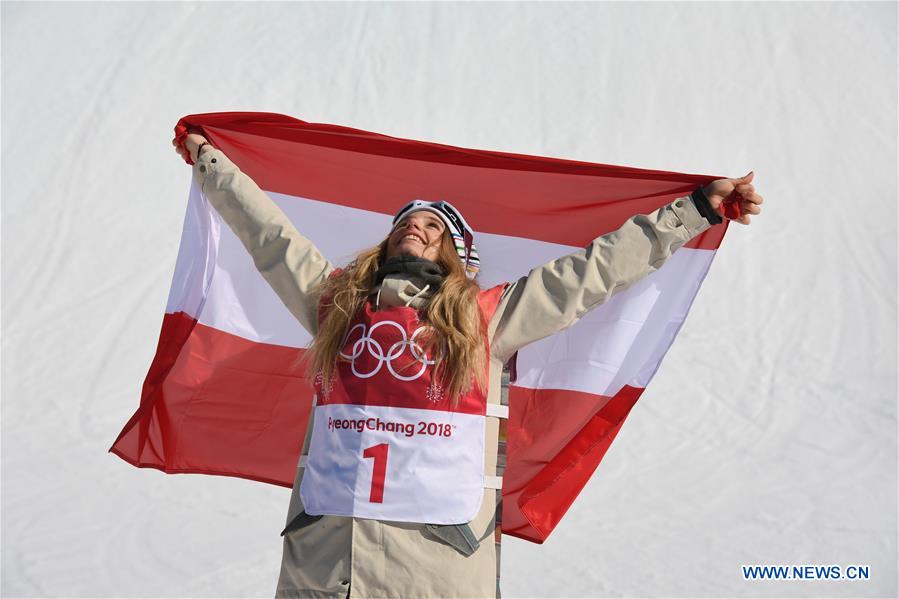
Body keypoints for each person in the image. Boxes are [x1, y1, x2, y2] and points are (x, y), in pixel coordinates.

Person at [172, 132, 763, 599]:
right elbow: (271, 237)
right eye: (406, 221)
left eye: (434, 226)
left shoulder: (488, 318)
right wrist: (209, 162)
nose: (415, 226)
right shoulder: (337, 309)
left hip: (437, 572)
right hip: (328, 568)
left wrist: (693, 212)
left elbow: (595, 272)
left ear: (457, 254)